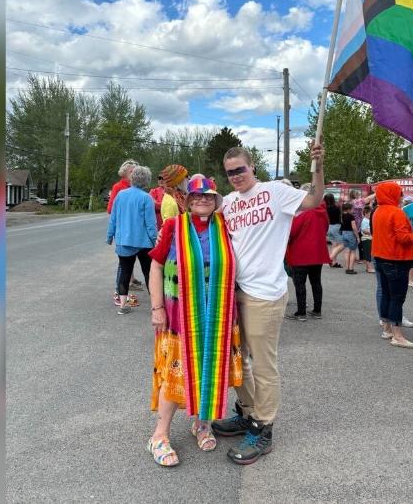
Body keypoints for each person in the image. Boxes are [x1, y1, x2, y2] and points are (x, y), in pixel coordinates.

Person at [212, 142, 324, 465]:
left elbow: (315, 199)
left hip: (266, 295)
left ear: (252, 168)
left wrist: (318, 166)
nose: (235, 176)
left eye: (240, 170)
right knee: (238, 360)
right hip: (236, 293)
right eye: (230, 172)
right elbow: (202, 209)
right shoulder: (230, 203)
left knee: (263, 365)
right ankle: (248, 413)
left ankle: (264, 430)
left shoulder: (275, 192)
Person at [145, 174, 243, 467]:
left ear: (216, 200)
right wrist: (156, 308)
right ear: (186, 200)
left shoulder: (225, 227)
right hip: (179, 318)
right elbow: (156, 267)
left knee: (209, 368)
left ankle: (202, 423)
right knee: (175, 374)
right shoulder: (174, 227)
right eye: (197, 196)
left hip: (219, 317)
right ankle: (159, 436)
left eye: (209, 195)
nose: (203, 200)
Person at [371, 181, 413, 348]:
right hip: (396, 259)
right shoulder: (396, 213)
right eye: (399, 193)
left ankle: (387, 328)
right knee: (397, 298)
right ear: (393, 194)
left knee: (386, 294)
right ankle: (397, 335)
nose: (401, 196)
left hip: (380, 257)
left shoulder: (378, 211)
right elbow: (403, 238)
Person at [106, 166, 157, 315]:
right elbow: (150, 223)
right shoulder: (147, 198)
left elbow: (113, 218)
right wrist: (155, 240)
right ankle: (155, 305)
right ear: (147, 180)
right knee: (149, 272)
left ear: (132, 178)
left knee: (125, 272)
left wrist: (110, 236)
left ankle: (123, 305)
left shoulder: (120, 195)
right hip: (143, 243)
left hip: (123, 241)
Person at [285, 187, 330, 320]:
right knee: (316, 282)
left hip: (301, 253)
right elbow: (326, 228)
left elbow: (291, 233)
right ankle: (317, 310)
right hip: (317, 253)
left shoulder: (302, 213)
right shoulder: (322, 213)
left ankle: (301, 312)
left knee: (300, 284)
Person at [108, 160, 142, 304]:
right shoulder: (119, 187)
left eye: (136, 171)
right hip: (124, 231)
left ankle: (126, 287)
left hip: (135, 232)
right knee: (123, 263)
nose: (134, 174)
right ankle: (118, 292)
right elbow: (111, 209)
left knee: (129, 261)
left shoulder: (137, 187)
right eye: (131, 172)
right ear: (124, 173)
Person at [329, 202, 359, 274]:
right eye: (352, 209)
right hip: (351, 234)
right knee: (353, 251)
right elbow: (354, 227)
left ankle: (347, 267)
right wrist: (357, 236)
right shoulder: (351, 216)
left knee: (347, 251)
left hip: (344, 234)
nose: (353, 210)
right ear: (348, 209)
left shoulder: (342, 216)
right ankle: (351, 268)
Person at [324, 193, 342, 267]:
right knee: (342, 244)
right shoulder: (337, 207)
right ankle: (331, 258)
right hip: (336, 226)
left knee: (334, 244)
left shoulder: (324, 208)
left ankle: (334, 262)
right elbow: (340, 217)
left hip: (328, 227)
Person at [359, 205, 375, 274]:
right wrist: (372, 231)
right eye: (370, 213)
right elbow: (364, 230)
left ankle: (368, 267)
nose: (371, 215)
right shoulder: (365, 221)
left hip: (368, 238)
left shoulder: (367, 220)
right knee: (368, 254)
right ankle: (369, 268)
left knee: (368, 253)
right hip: (367, 239)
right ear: (366, 213)